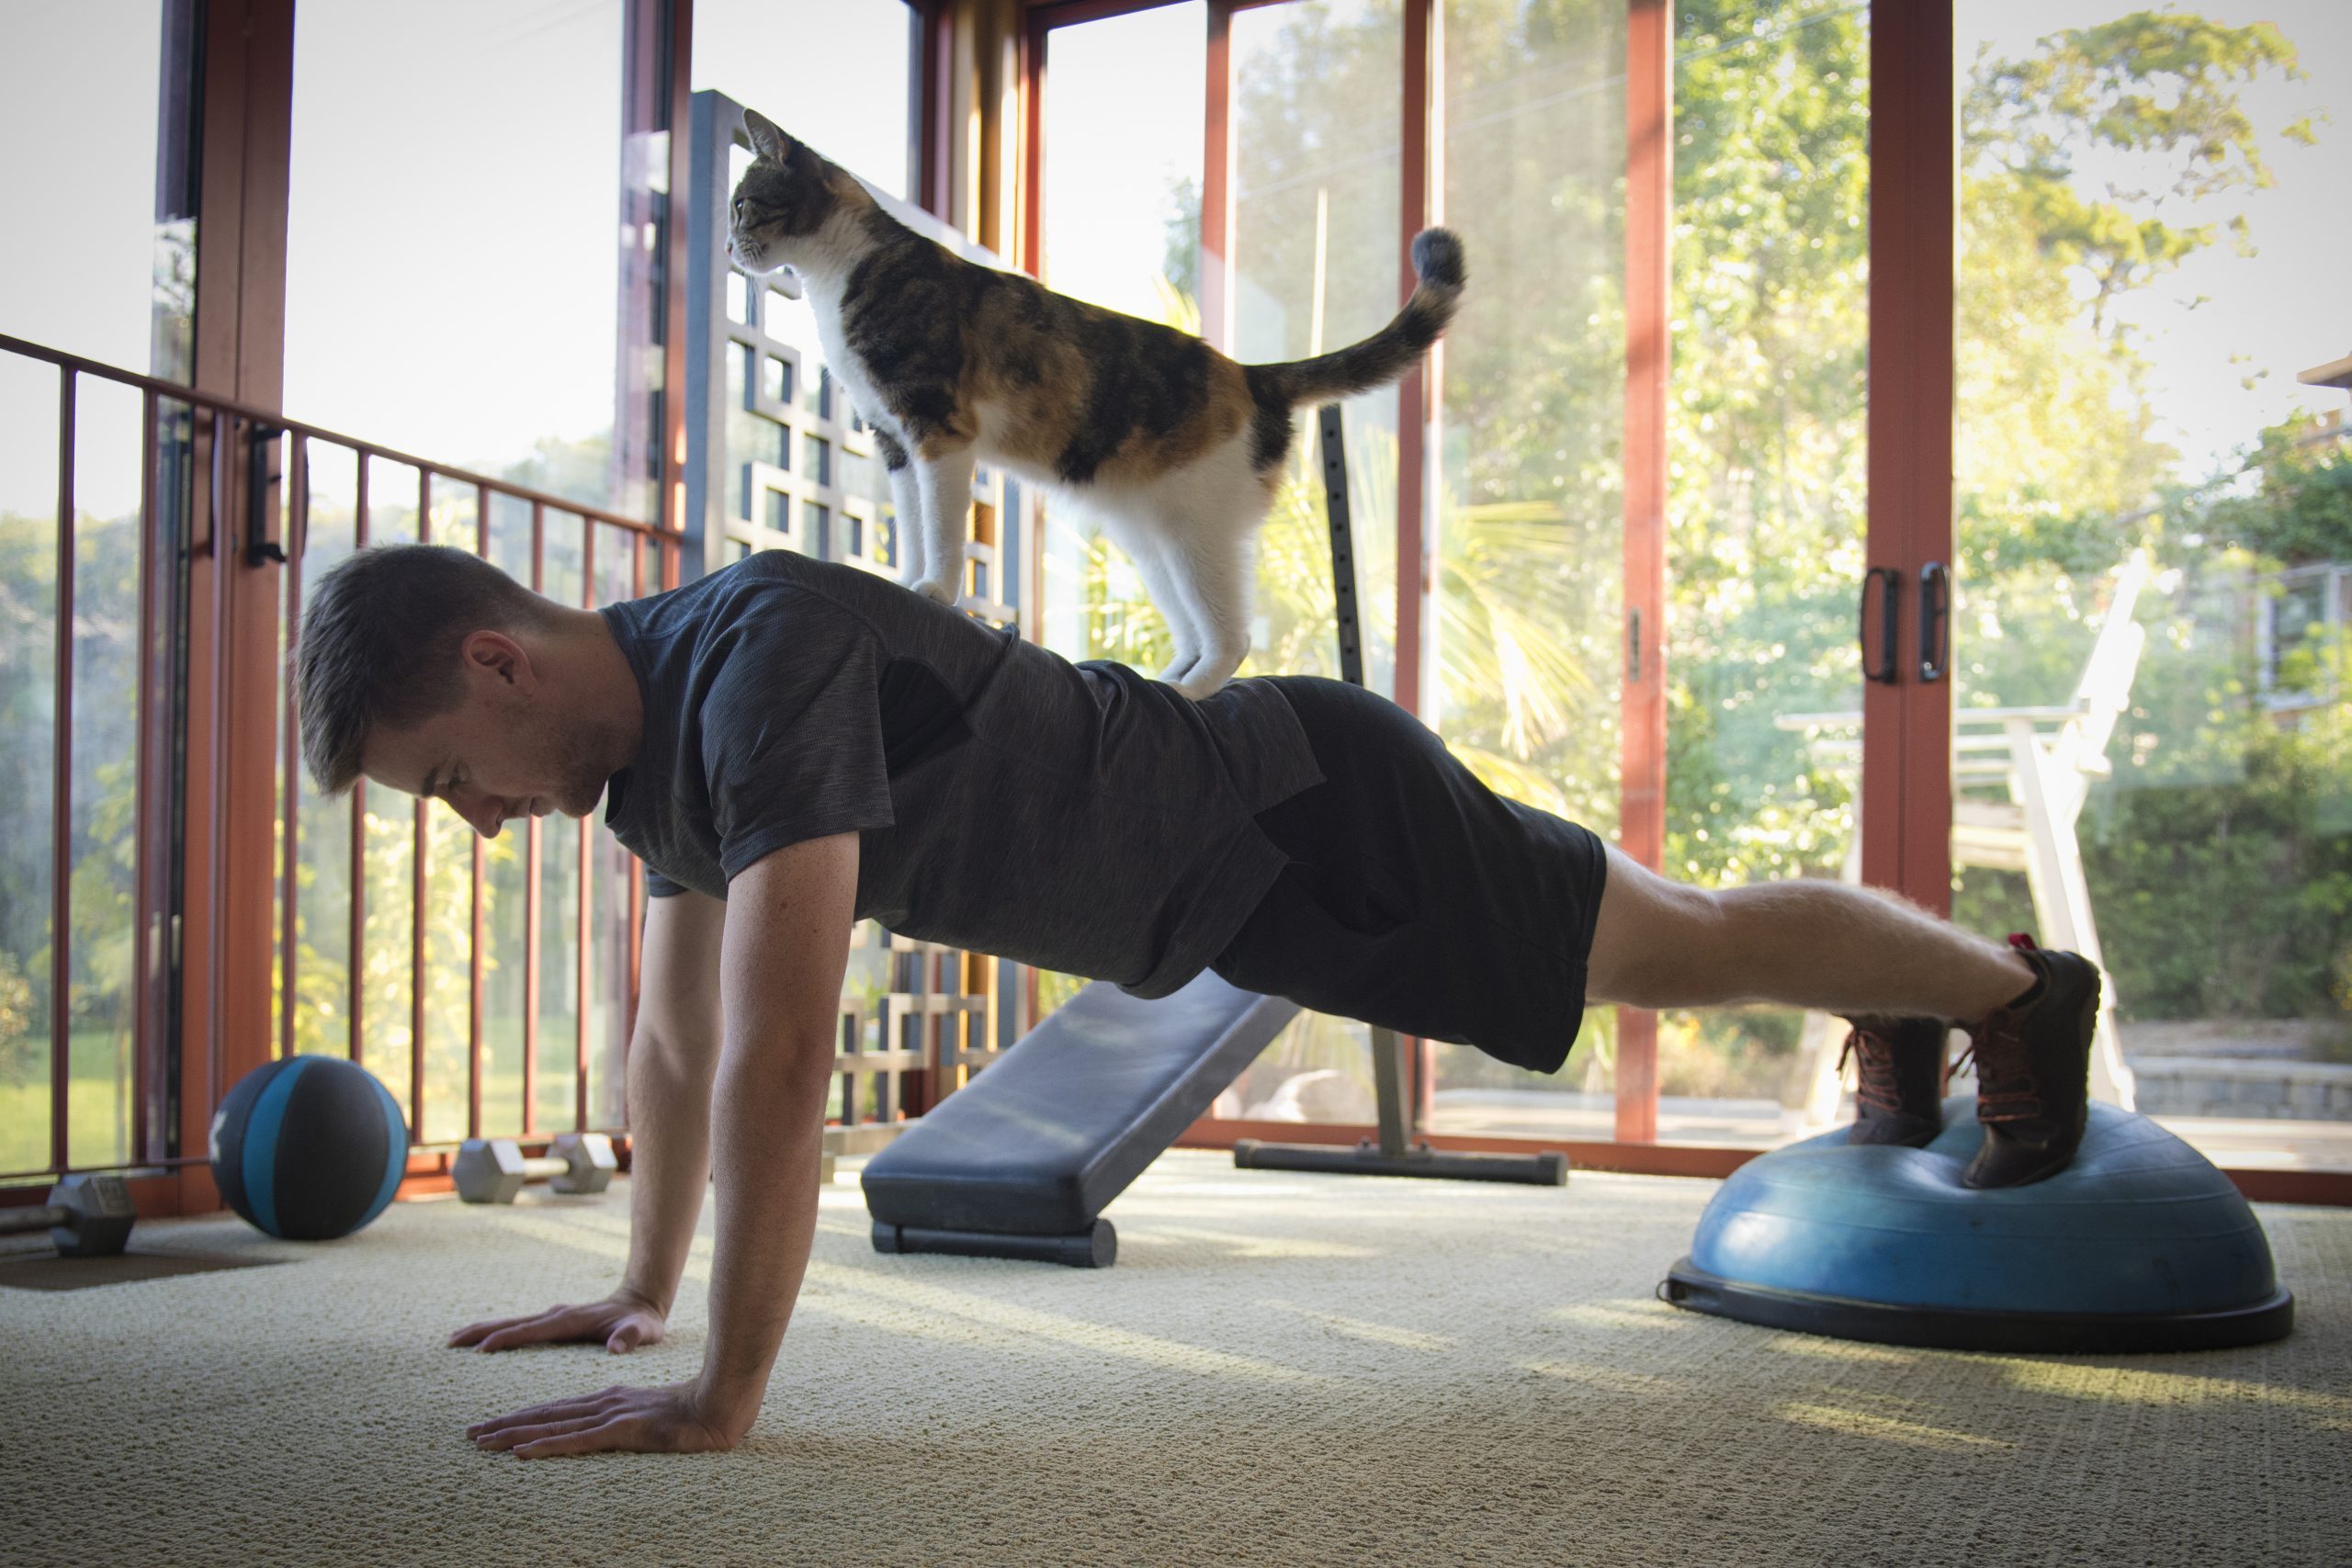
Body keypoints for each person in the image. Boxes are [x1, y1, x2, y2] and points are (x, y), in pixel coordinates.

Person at [294, 543, 2100, 1459]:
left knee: (1673, 949)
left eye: (445, 771)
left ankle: (2012, 988)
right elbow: (675, 1040)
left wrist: (725, 1389)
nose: (468, 816)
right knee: (1666, 935)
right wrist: (633, 1286)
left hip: (1302, 815)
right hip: (1255, 873)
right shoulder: (648, 772)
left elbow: (779, 1048)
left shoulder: (760, 652)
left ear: (495, 659)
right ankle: (1941, 1001)